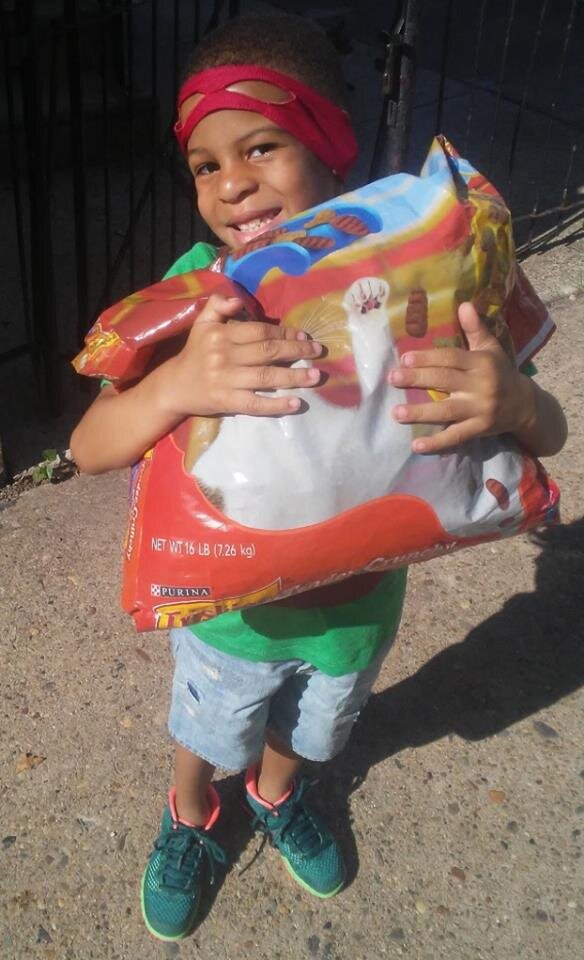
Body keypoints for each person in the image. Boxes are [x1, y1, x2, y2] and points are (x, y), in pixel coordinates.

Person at [70, 12, 567, 944]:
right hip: (228, 615)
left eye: (261, 146)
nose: (233, 185)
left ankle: (273, 795)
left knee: (315, 727)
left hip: (358, 611)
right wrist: (178, 382)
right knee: (208, 730)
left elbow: (550, 436)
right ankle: (192, 815)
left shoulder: (432, 274)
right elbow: (93, 447)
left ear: (332, 148)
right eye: (206, 166)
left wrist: (511, 403)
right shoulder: (201, 294)